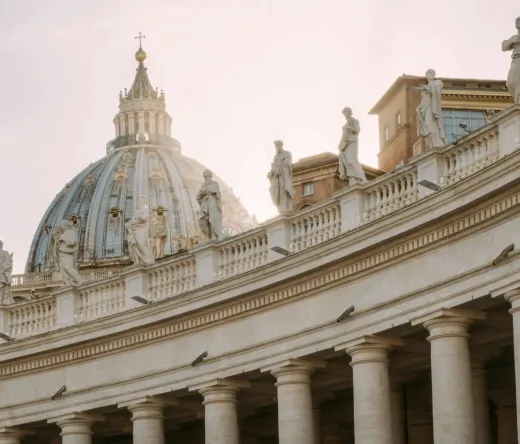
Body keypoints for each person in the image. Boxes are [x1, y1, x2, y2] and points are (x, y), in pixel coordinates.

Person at [417, 69, 446, 150]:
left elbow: (436, 89)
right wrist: (419, 107)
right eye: (427, 74)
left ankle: (437, 143)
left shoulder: (437, 83)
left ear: (433, 75)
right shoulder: (427, 86)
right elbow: (425, 100)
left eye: (430, 74)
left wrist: (428, 88)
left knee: (430, 124)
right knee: (427, 125)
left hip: (432, 108)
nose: (428, 75)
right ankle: (431, 145)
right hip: (425, 109)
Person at [338, 107, 367, 184]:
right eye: (344, 113)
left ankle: (362, 178)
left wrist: (349, 127)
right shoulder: (346, 124)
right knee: (347, 162)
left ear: (350, 112)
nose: (345, 114)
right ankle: (353, 181)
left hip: (352, 142)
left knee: (351, 161)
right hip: (345, 144)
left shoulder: (354, 121)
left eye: (346, 112)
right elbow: (344, 135)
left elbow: (357, 130)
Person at [126, 196, 155, 265]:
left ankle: (148, 259)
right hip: (134, 229)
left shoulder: (145, 209)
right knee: (135, 244)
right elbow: (133, 220)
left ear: (144, 202)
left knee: (141, 244)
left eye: (140, 201)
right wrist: (129, 224)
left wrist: (139, 218)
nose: (139, 202)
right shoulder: (136, 211)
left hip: (141, 229)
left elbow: (144, 219)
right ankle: (137, 260)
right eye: (138, 201)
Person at [267, 140, 295, 214]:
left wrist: (280, 168)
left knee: (283, 192)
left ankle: (285, 210)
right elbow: (274, 167)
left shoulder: (287, 154)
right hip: (276, 178)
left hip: (283, 177)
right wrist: (271, 172)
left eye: (276, 146)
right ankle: (280, 210)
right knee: (274, 191)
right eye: (275, 147)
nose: (276, 148)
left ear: (280, 146)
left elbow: (288, 166)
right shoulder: (275, 156)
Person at [197, 170, 223, 241]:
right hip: (205, 203)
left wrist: (204, 191)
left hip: (212, 202)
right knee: (203, 220)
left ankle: (213, 235)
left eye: (204, 173)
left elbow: (213, 190)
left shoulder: (215, 183)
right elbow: (199, 195)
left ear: (209, 174)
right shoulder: (203, 185)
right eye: (203, 173)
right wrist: (204, 191)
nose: (203, 175)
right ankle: (207, 237)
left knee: (212, 219)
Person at [55, 221, 83, 286]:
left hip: (67, 253)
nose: (60, 228)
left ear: (65, 226)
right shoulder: (63, 234)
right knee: (63, 269)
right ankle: (67, 283)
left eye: (61, 227)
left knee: (68, 268)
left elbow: (72, 242)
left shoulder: (70, 233)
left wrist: (63, 238)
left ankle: (80, 281)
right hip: (62, 253)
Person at [503, 17, 520, 104]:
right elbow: (504, 47)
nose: (517, 22)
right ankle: (517, 99)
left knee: (517, 80)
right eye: (516, 21)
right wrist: (513, 41)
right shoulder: (515, 37)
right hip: (516, 59)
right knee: (510, 82)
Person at [0, 240, 14, 305]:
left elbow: (9, 262)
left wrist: (4, 268)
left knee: (2, 286)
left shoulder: (5, 253)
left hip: (2, 272)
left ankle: (1, 300)